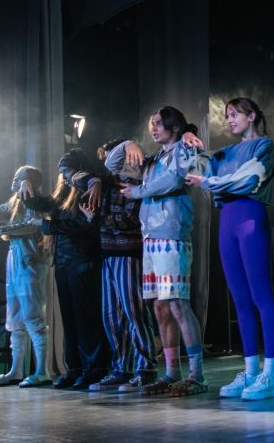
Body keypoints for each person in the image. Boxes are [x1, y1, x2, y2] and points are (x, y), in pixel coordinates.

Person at [185, 97, 274, 400]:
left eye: (235, 114)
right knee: (239, 298)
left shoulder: (264, 145)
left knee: (260, 294)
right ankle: (251, 371)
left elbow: (249, 180)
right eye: (227, 115)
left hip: (250, 215)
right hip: (227, 219)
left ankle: (270, 374)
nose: (229, 120)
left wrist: (210, 182)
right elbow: (192, 166)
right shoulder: (223, 153)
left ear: (251, 116)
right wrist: (188, 136)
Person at [112, 106, 206, 397]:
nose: (152, 128)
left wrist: (139, 192)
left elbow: (174, 180)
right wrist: (127, 144)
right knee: (160, 307)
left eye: (158, 123)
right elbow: (112, 165)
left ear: (174, 127)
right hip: (150, 237)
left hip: (172, 235)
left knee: (178, 305)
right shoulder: (153, 159)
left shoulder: (185, 148)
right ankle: (171, 372)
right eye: (151, 124)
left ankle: (196, 374)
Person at [68, 139, 158, 393]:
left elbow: (130, 220)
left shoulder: (136, 183)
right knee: (112, 316)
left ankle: (145, 368)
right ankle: (121, 369)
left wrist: (98, 217)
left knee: (134, 313)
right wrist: (94, 213)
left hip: (129, 255)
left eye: (112, 157)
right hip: (109, 255)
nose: (108, 163)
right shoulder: (107, 184)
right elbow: (74, 176)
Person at [21, 149, 111, 390]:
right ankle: (75, 368)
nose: (65, 176)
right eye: (62, 172)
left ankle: (94, 369)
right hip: (63, 262)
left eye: (68, 171)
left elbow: (81, 224)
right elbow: (41, 203)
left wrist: (48, 226)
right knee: (70, 320)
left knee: (86, 319)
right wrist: (26, 187)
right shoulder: (61, 195)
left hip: (83, 262)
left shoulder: (87, 191)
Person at [0, 166, 52, 388]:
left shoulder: (35, 201)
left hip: (31, 262)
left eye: (19, 178)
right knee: (15, 318)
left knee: (33, 317)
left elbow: (27, 228)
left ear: (29, 181)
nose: (14, 181)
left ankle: (42, 371)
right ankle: (16, 370)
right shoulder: (15, 201)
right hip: (15, 260)